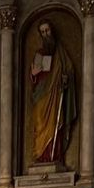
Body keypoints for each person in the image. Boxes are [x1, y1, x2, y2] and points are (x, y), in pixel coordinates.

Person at [29, 20, 76, 165]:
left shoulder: (60, 53)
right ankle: (41, 156)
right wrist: (35, 72)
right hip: (40, 96)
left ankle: (53, 156)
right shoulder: (39, 54)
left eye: (47, 30)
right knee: (40, 125)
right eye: (42, 32)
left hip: (55, 94)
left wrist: (65, 78)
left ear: (52, 31)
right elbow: (33, 75)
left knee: (54, 124)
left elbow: (69, 70)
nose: (45, 34)